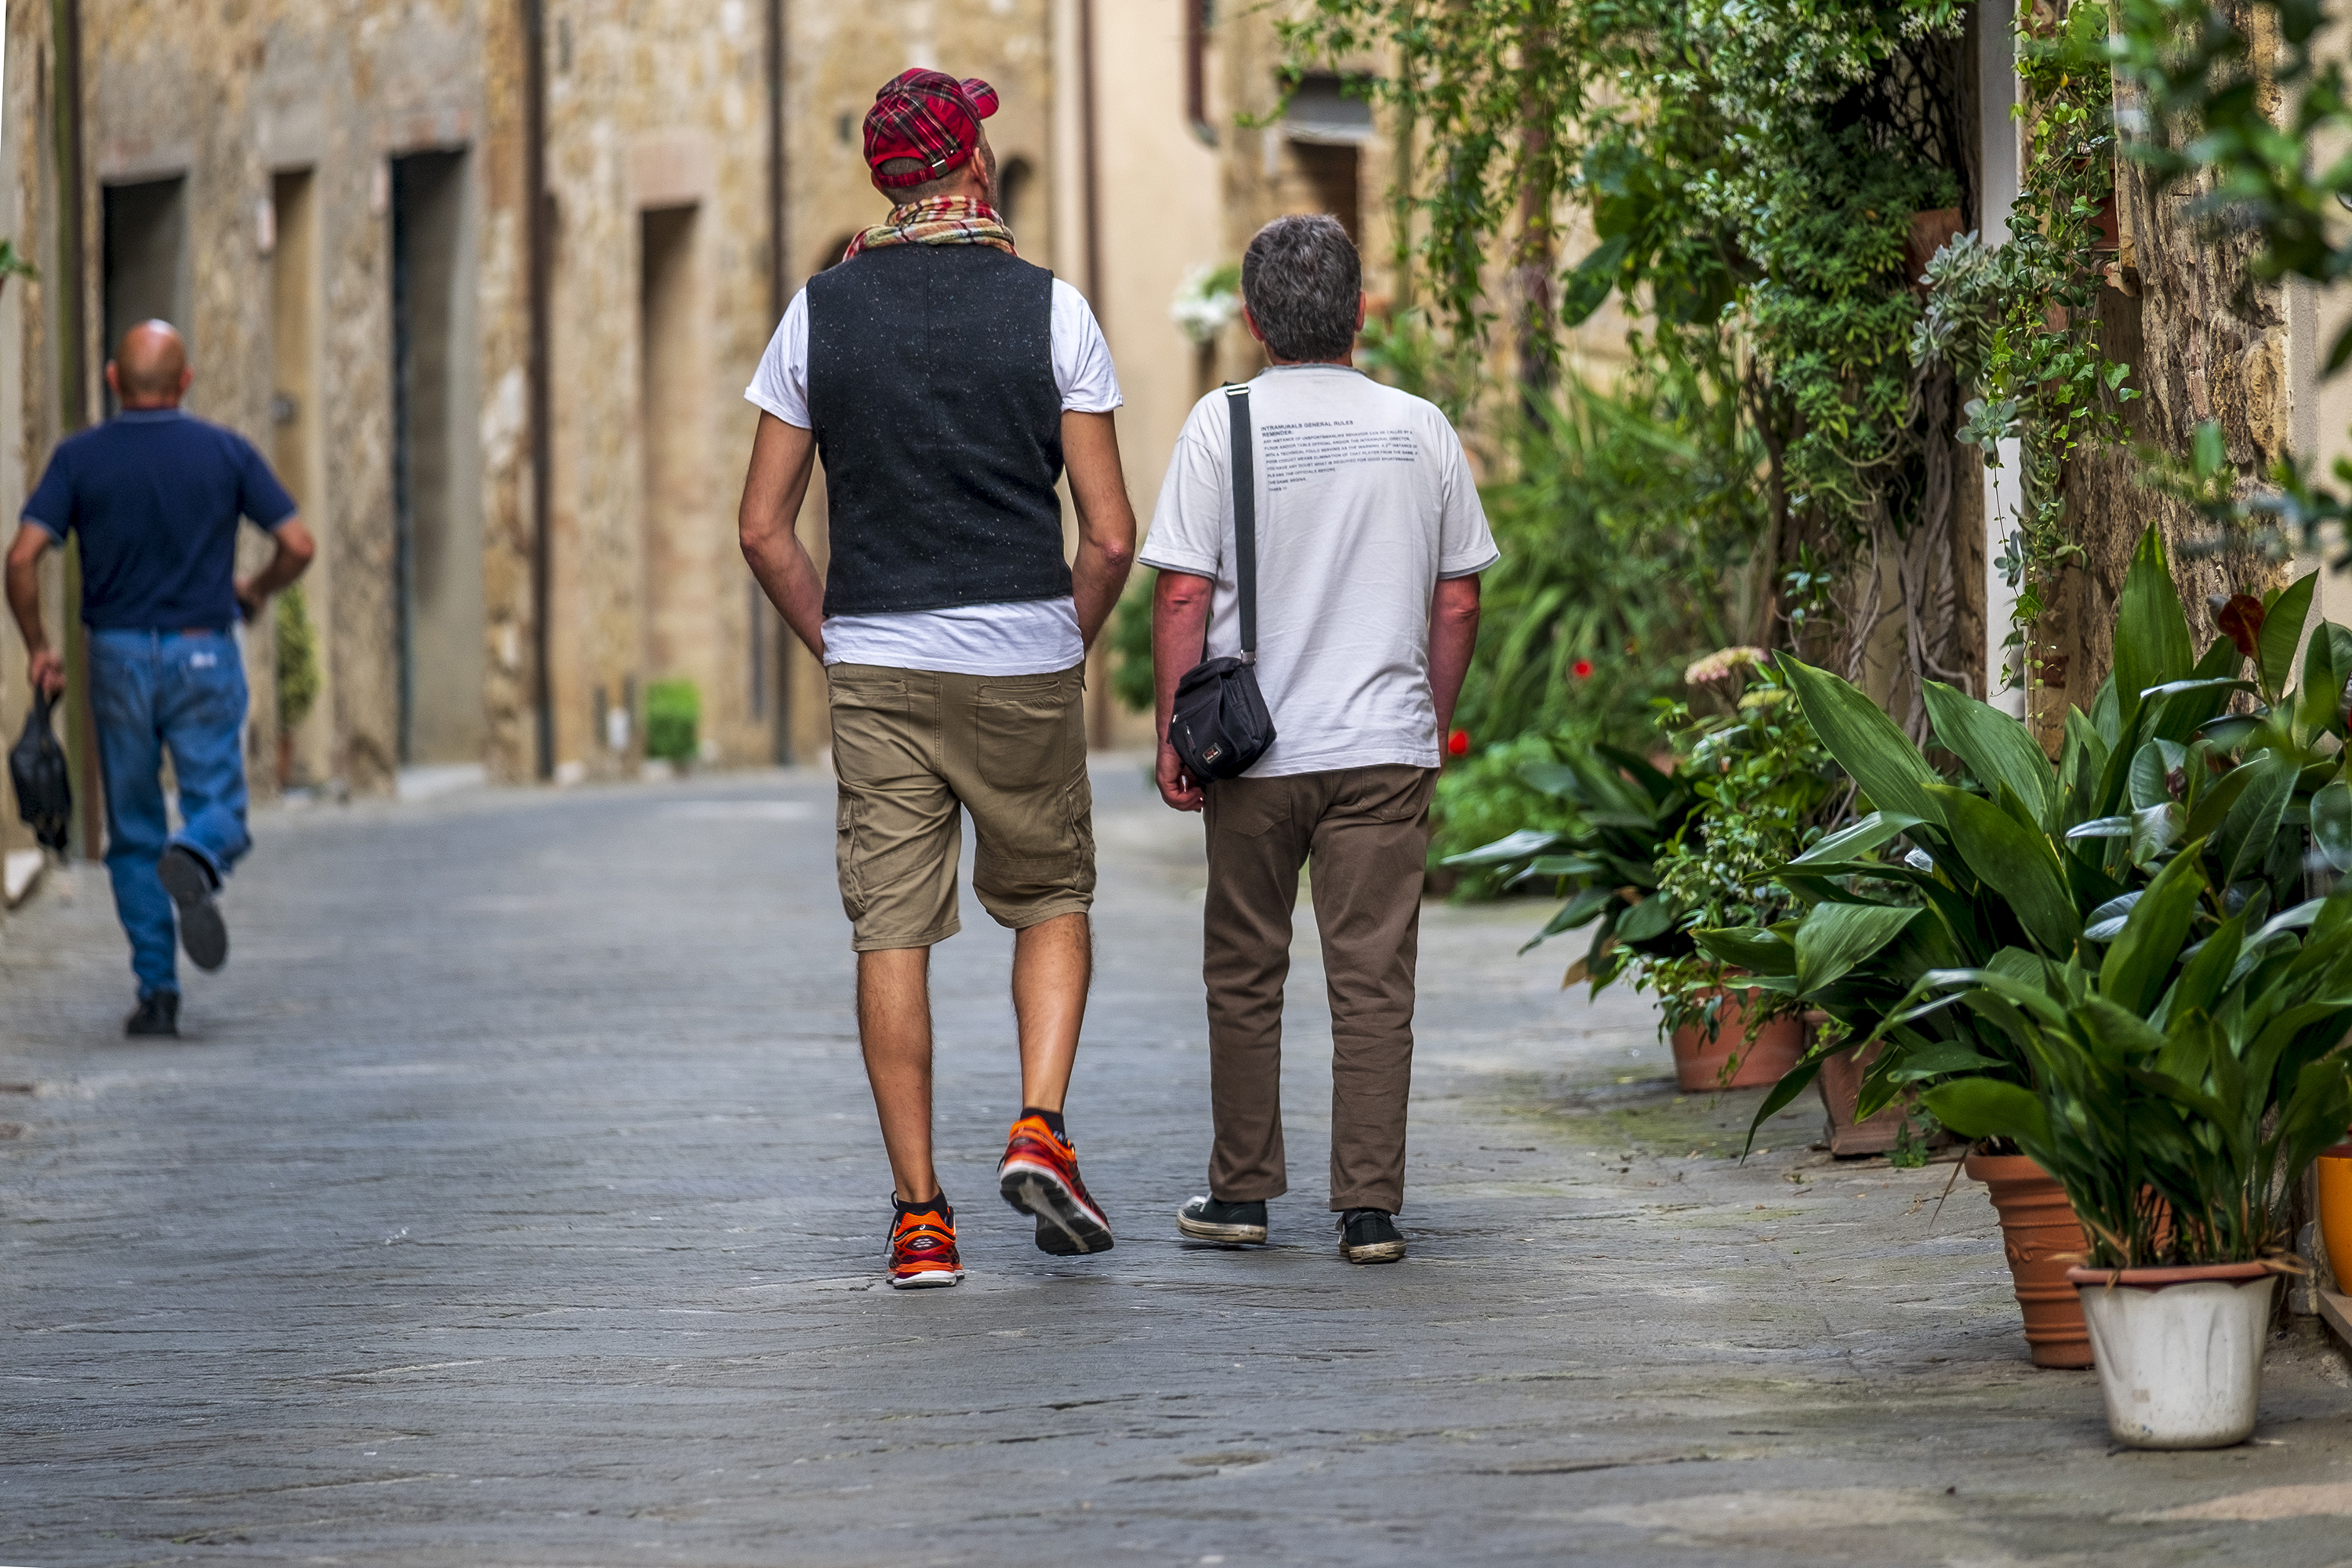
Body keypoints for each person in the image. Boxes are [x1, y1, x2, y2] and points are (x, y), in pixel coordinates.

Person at [736, 70, 1138, 1290]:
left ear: (885, 180)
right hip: (1022, 651)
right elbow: (1111, 532)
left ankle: (921, 1221)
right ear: (972, 168)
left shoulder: (817, 315)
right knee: (1052, 894)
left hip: (879, 661)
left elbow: (763, 526)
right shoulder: (1052, 309)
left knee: (892, 932)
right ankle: (1039, 1125)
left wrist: (836, 641)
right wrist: (1063, 636)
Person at [1142, 215, 1494, 1265]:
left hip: (1253, 750)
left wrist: (1177, 731)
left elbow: (1180, 596)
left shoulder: (1222, 424)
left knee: (1245, 970)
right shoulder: (1421, 426)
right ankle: (1371, 1209)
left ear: (1254, 321)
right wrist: (1421, 715)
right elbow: (1461, 601)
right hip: (1382, 746)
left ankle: (1243, 1195)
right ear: (1357, 315)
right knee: (1374, 977)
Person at [5, 321, 316, 1037]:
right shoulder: (226, 453)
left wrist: (38, 646)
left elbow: (22, 557)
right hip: (202, 648)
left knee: (134, 827)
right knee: (220, 808)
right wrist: (259, 587)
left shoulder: (79, 459)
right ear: (187, 380)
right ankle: (200, 854)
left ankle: (157, 993)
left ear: (114, 380)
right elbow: (299, 543)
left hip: (115, 656)